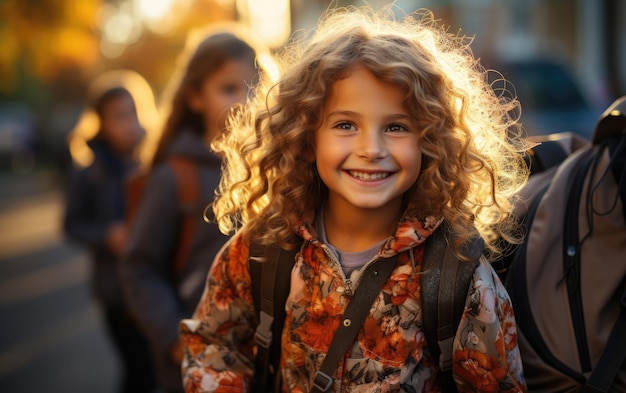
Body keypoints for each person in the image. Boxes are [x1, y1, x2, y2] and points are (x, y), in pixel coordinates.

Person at [180, 6, 528, 392]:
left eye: (396, 126)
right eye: (346, 125)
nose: (370, 149)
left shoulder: (458, 274)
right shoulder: (266, 246)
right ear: (306, 137)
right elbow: (212, 345)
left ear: (431, 142)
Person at [120, 30, 259, 393]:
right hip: (196, 367)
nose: (245, 100)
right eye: (228, 89)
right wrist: (175, 341)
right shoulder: (172, 177)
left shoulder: (276, 167)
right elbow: (139, 267)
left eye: (253, 86)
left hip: (261, 362)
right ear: (195, 97)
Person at [63, 78, 156, 393]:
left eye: (133, 113)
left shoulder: (153, 162)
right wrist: (106, 235)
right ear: (100, 122)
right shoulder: (88, 172)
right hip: (114, 289)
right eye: (118, 116)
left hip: (153, 284)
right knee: (138, 370)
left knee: (153, 371)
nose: (128, 124)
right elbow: (71, 224)